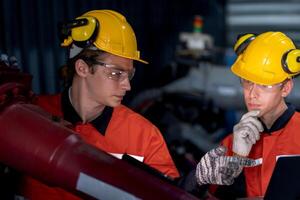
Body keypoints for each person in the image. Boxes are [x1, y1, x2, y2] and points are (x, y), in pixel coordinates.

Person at [17, 9, 255, 199]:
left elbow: (169, 193)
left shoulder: (143, 136)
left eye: (128, 75)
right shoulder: (28, 115)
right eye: (115, 73)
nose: (127, 86)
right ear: (82, 68)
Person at [219, 31, 300, 198]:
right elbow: (210, 195)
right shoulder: (232, 142)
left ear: (285, 88)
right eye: (248, 81)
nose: (252, 93)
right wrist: (237, 157)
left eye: (264, 84)